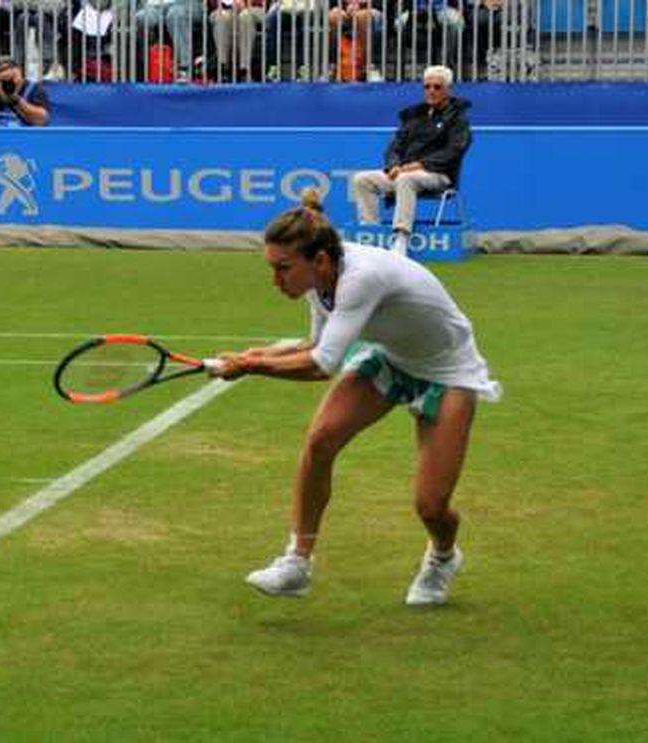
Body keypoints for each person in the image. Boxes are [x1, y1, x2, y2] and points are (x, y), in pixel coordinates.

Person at [211, 188, 500, 604]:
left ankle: (442, 557)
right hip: (392, 359)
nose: (276, 281)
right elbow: (314, 343)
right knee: (320, 440)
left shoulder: (361, 278)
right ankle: (297, 562)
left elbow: (322, 364)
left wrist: (252, 366)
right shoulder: (317, 280)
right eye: (273, 269)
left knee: (431, 507)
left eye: (283, 269)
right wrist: (254, 354)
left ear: (321, 260)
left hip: (449, 372)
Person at [351, 64, 470, 256]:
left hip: (439, 176)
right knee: (362, 179)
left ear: (448, 90)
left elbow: (454, 152)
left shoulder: (459, 119)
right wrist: (393, 165)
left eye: (437, 87)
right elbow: (395, 146)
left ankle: (401, 239)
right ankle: (370, 236)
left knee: (406, 179)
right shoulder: (413, 116)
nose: (431, 91)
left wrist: (417, 166)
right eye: (427, 86)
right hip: (403, 172)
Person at [0, 55, 50, 126]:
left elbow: (42, 120)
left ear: (19, 71)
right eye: (5, 80)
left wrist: (16, 100)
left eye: (12, 78)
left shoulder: (33, 89)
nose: (9, 84)